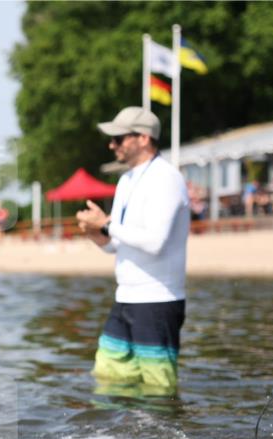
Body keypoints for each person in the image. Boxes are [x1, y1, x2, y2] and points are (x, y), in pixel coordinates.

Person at [76, 107, 190, 396]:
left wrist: (106, 225)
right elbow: (116, 244)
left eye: (118, 138)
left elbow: (155, 242)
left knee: (158, 393)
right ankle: (118, 430)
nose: (111, 145)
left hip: (158, 300)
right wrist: (95, 233)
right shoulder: (125, 180)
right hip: (125, 297)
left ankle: (164, 428)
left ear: (143, 138)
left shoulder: (166, 177)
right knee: (107, 383)